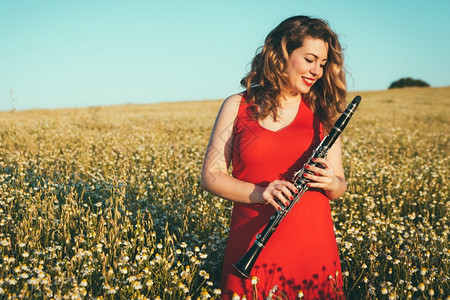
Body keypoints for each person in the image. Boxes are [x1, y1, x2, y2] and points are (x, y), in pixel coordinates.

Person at [201, 16, 348, 299]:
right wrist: (260, 192)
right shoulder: (238, 106)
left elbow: (339, 186)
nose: (317, 70)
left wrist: (331, 180)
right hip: (251, 248)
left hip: (313, 249)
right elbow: (211, 176)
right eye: (309, 59)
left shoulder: (325, 112)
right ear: (282, 55)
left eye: (323, 63)